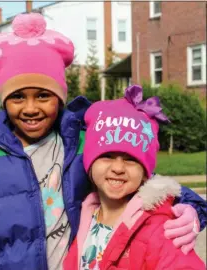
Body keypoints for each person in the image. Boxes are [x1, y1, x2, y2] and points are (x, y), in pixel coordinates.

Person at [0, 13, 206, 270]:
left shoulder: (87, 145)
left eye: (43, 96)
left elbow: (145, 179)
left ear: (60, 97)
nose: (30, 108)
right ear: (3, 99)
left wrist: (190, 210)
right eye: (17, 97)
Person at [63, 85, 205, 270]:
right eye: (107, 156)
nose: (118, 168)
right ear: (89, 164)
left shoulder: (160, 228)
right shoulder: (86, 215)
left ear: (146, 173)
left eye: (130, 160)